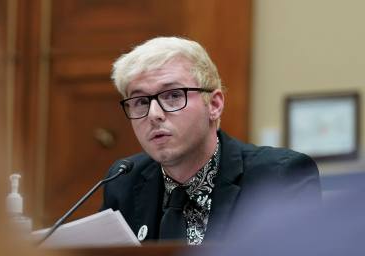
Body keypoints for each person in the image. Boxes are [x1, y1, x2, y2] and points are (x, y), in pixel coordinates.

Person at [100, 36, 320, 245]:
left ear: (214, 105)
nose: (153, 114)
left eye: (173, 95)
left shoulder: (279, 178)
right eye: (140, 101)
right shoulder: (124, 180)